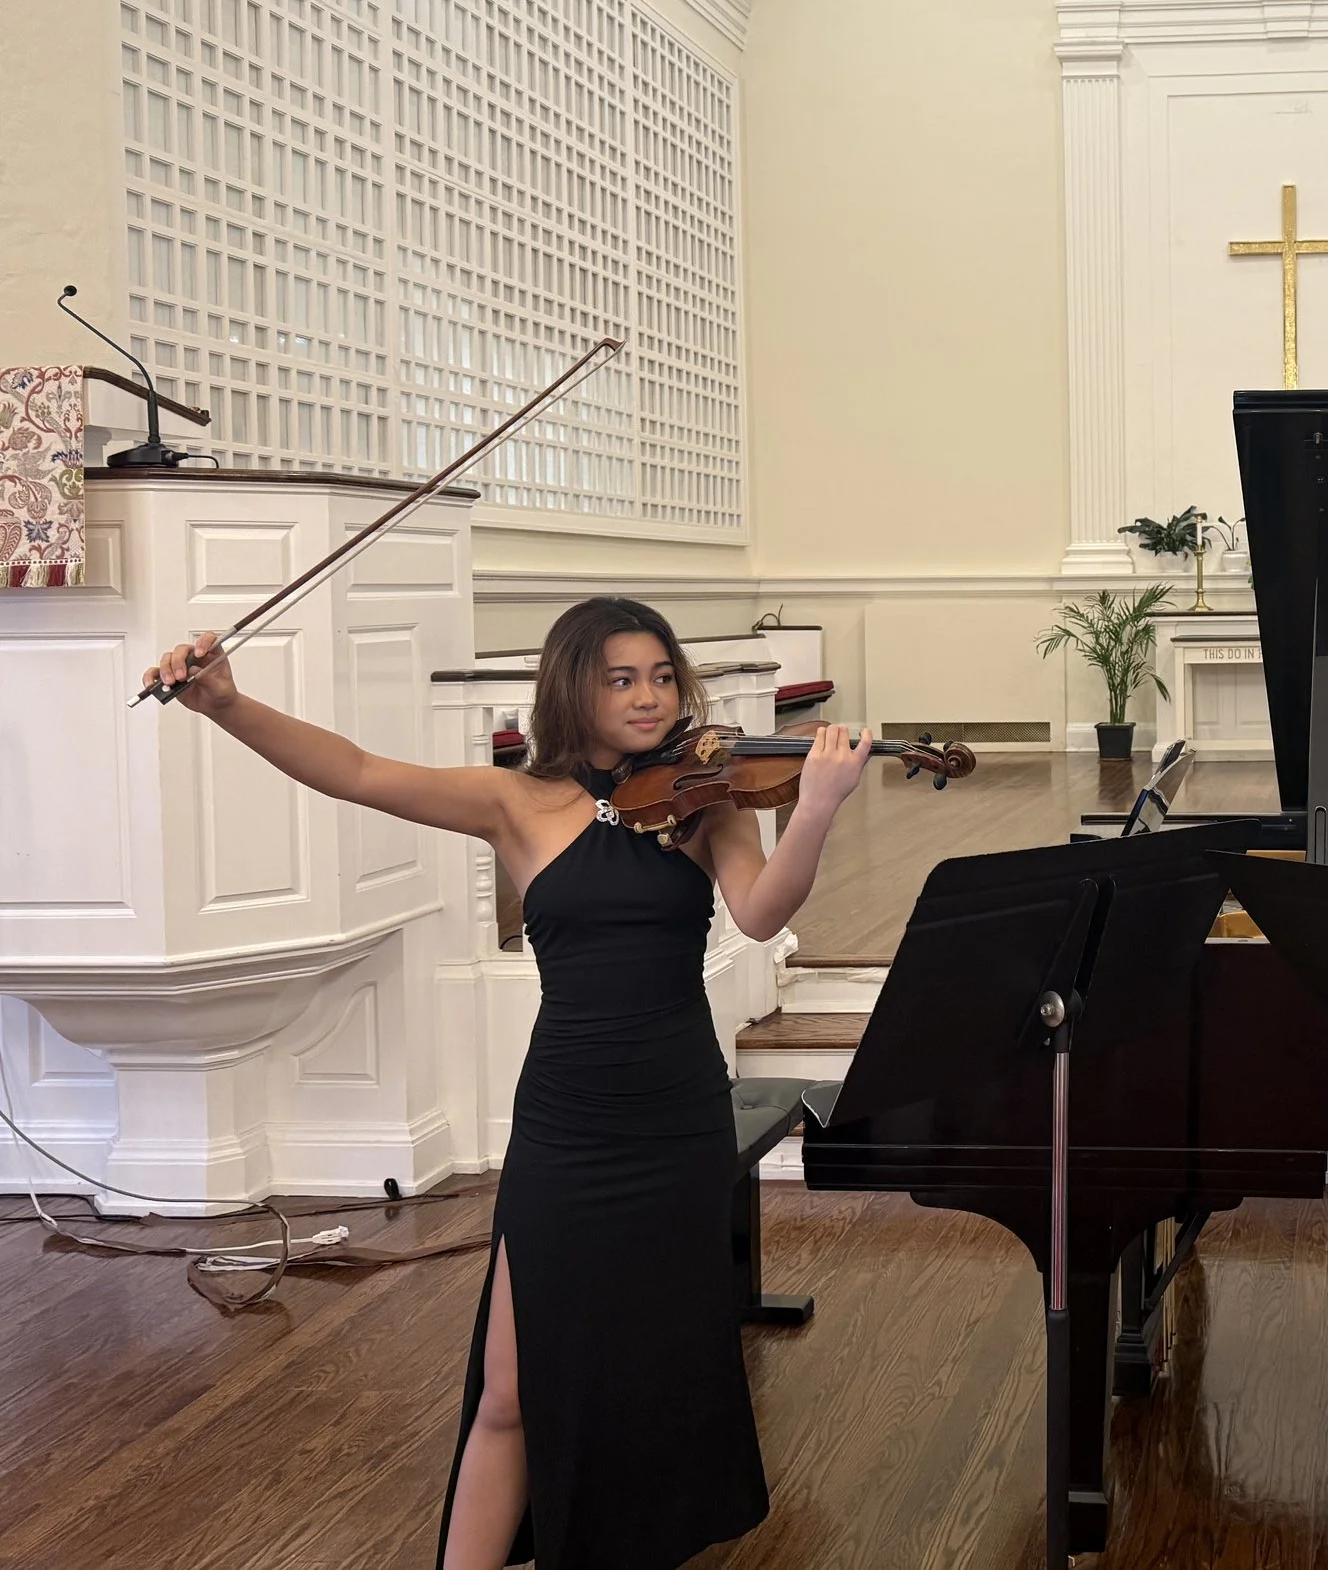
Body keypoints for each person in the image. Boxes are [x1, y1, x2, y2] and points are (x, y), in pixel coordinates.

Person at [143, 596, 876, 1570]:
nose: (649, 697)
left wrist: (814, 811)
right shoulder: (515, 803)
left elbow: (759, 911)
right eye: (622, 679)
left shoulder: (703, 804)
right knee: (509, 1388)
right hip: (568, 1126)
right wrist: (228, 705)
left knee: (656, 1377)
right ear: (573, 687)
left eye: (662, 676)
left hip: (676, 1122)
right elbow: (355, 771)